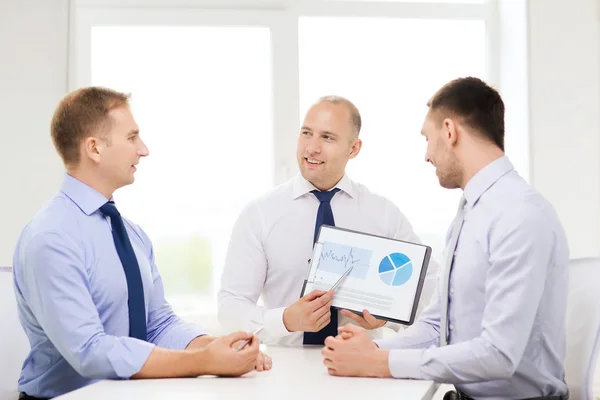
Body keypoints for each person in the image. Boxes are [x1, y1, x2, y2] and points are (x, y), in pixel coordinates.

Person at [12, 87, 271, 400]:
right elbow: (90, 352)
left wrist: (218, 348)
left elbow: (158, 324)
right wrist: (202, 361)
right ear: (94, 149)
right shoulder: (51, 238)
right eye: (132, 137)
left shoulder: (131, 234)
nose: (143, 150)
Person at [320, 77, 569, 400]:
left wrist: (383, 362)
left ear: (449, 132)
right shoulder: (469, 214)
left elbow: (499, 355)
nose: (427, 155)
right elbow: (437, 326)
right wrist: (369, 349)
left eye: (428, 138)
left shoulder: (520, 215)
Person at [218, 95, 438, 346]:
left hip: (362, 367)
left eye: (327, 137)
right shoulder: (260, 214)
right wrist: (286, 319)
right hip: (283, 373)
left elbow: (431, 291)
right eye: (306, 133)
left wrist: (387, 319)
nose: (311, 148)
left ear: (353, 148)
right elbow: (230, 307)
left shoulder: (383, 214)